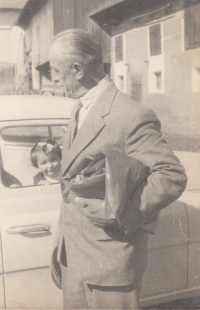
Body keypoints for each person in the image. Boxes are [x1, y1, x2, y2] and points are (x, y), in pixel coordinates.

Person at [49, 28, 187, 309]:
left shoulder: (130, 114)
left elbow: (170, 175)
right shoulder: (79, 108)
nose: (52, 78)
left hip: (109, 263)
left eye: (55, 70)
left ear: (77, 70)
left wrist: (118, 212)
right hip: (73, 256)